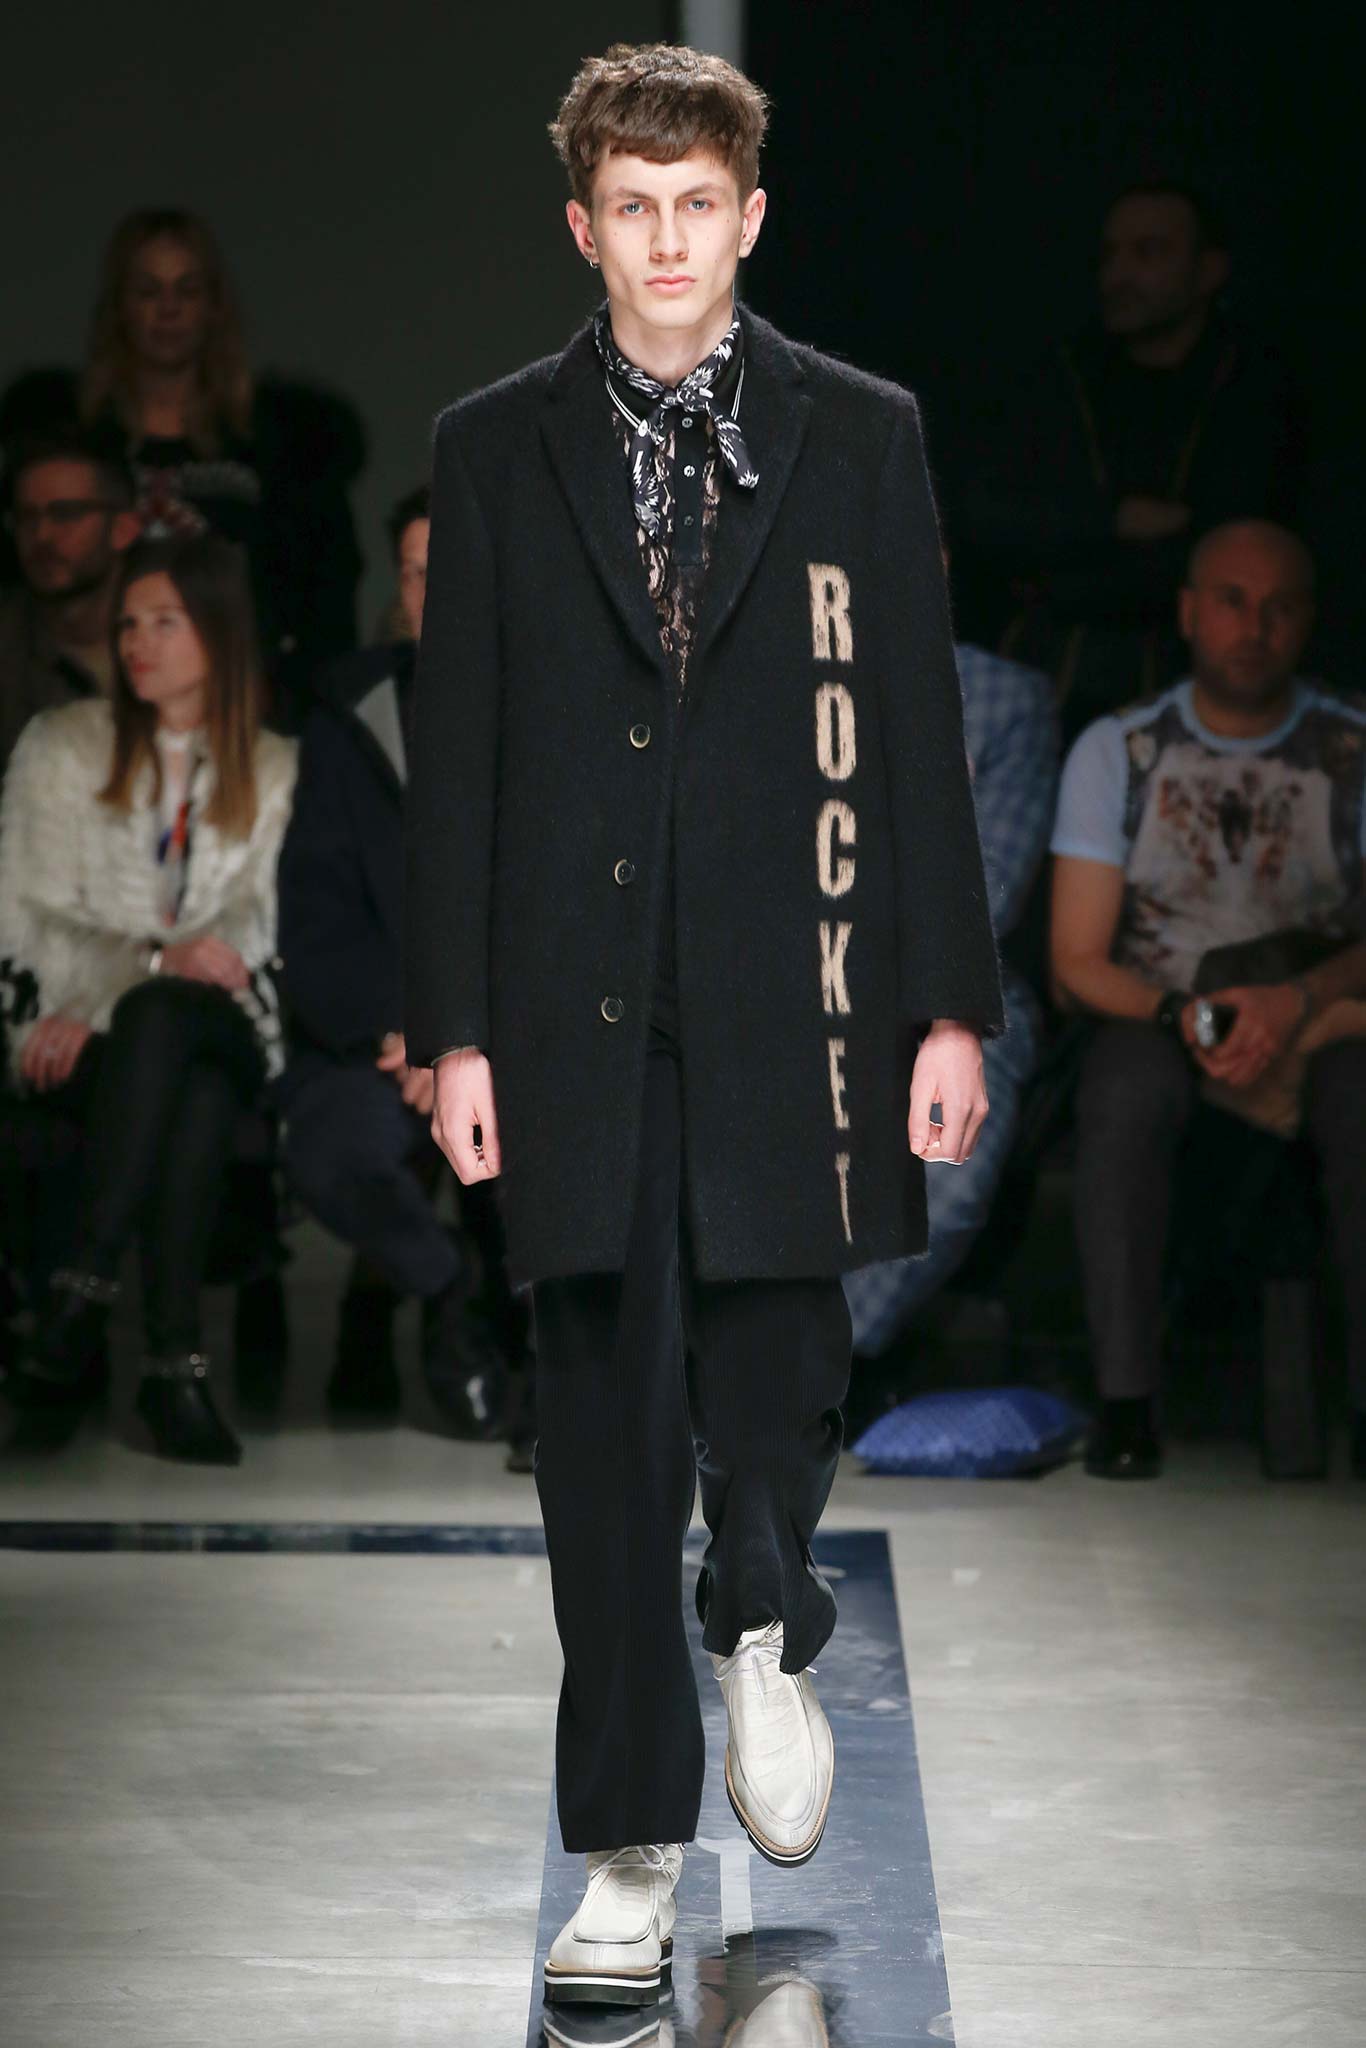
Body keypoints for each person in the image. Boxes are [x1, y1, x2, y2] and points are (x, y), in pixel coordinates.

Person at [403, 42, 1002, 2012]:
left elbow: (907, 725)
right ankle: (627, 1851)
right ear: (581, 228)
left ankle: (758, 1616)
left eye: (695, 207)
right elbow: (462, 752)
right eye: (630, 209)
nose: (665, 242)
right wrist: (454, 1030)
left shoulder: (858, 434)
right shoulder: (496, 446)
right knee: (597, 1418)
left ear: (750, 217)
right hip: (572, 1003)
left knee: (772, 1363)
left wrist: (944, 1000)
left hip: (796, 975)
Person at [1050, 520, 1366, 1482]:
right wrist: (1186, 1016)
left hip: (1320, 1011)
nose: (1254, 628)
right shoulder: (1122, 749)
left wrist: (1295, 1003)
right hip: (1161, 1010)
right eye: (1232, 601)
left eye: (1280, 607)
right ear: (1188, 612)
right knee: (1121, 1096)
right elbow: (1076, 960)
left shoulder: (1351, 749)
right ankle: (1125, 1405)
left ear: (1309, 620)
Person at [0, 533, 297, 1463]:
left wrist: (154, 974)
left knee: (175, 1023)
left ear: (219, 631)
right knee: (187, 1082)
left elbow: (254, 936)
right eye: (128, 623)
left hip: (230, 1030)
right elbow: (26, 917)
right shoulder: (61, 745)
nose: (137, 642)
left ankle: (78, 1294)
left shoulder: (277, 766)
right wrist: (154, 962)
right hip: (90, 1038)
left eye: (165, 622)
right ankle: (174, 1368)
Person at [275, 484, 523, 1442]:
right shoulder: (351, 715)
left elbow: (574, 913)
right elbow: (316, 912)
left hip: (517, 1038)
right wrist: (411, 1030)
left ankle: (541, 1371)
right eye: (415, 572)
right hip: (383, 1037)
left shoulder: (566, 710)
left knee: (548, 1143)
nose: (430, 591)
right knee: (331, 1147)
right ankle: (446, 1289)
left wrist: (466, 1036)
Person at [953, 184, 1303, 741]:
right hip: (1047, 692)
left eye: (1149, 252)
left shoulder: (1251, 392)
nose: (1120, 274)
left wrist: (1070, 568)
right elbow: (988, 522)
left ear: (1208, 270)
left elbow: (1243, 548)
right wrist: (1112, 521)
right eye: (1111, 255)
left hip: (1199, 705)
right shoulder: (1057, 379)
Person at [1, 209, 363, 720]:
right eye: (148, 291)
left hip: (245, 701)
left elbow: (323, 601)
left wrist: (298, 703)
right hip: (92, 692)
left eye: (187, 291)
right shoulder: (72, 443)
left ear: (214, 306)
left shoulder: (277, 447)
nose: (168, 310)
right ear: (119, 307)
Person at [844, 638, 1057, 1353]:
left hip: (951, 983)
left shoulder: (1002, 698)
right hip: (772, 969)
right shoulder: (747, 665)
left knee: (945, 1164)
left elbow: (989, 894)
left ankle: (821, 1369)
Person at [0, 431, 140, 771]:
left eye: (65, 514)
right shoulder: (8, 641)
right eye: (27, 517)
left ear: (122, 529)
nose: (42, 535)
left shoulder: (185, 635)